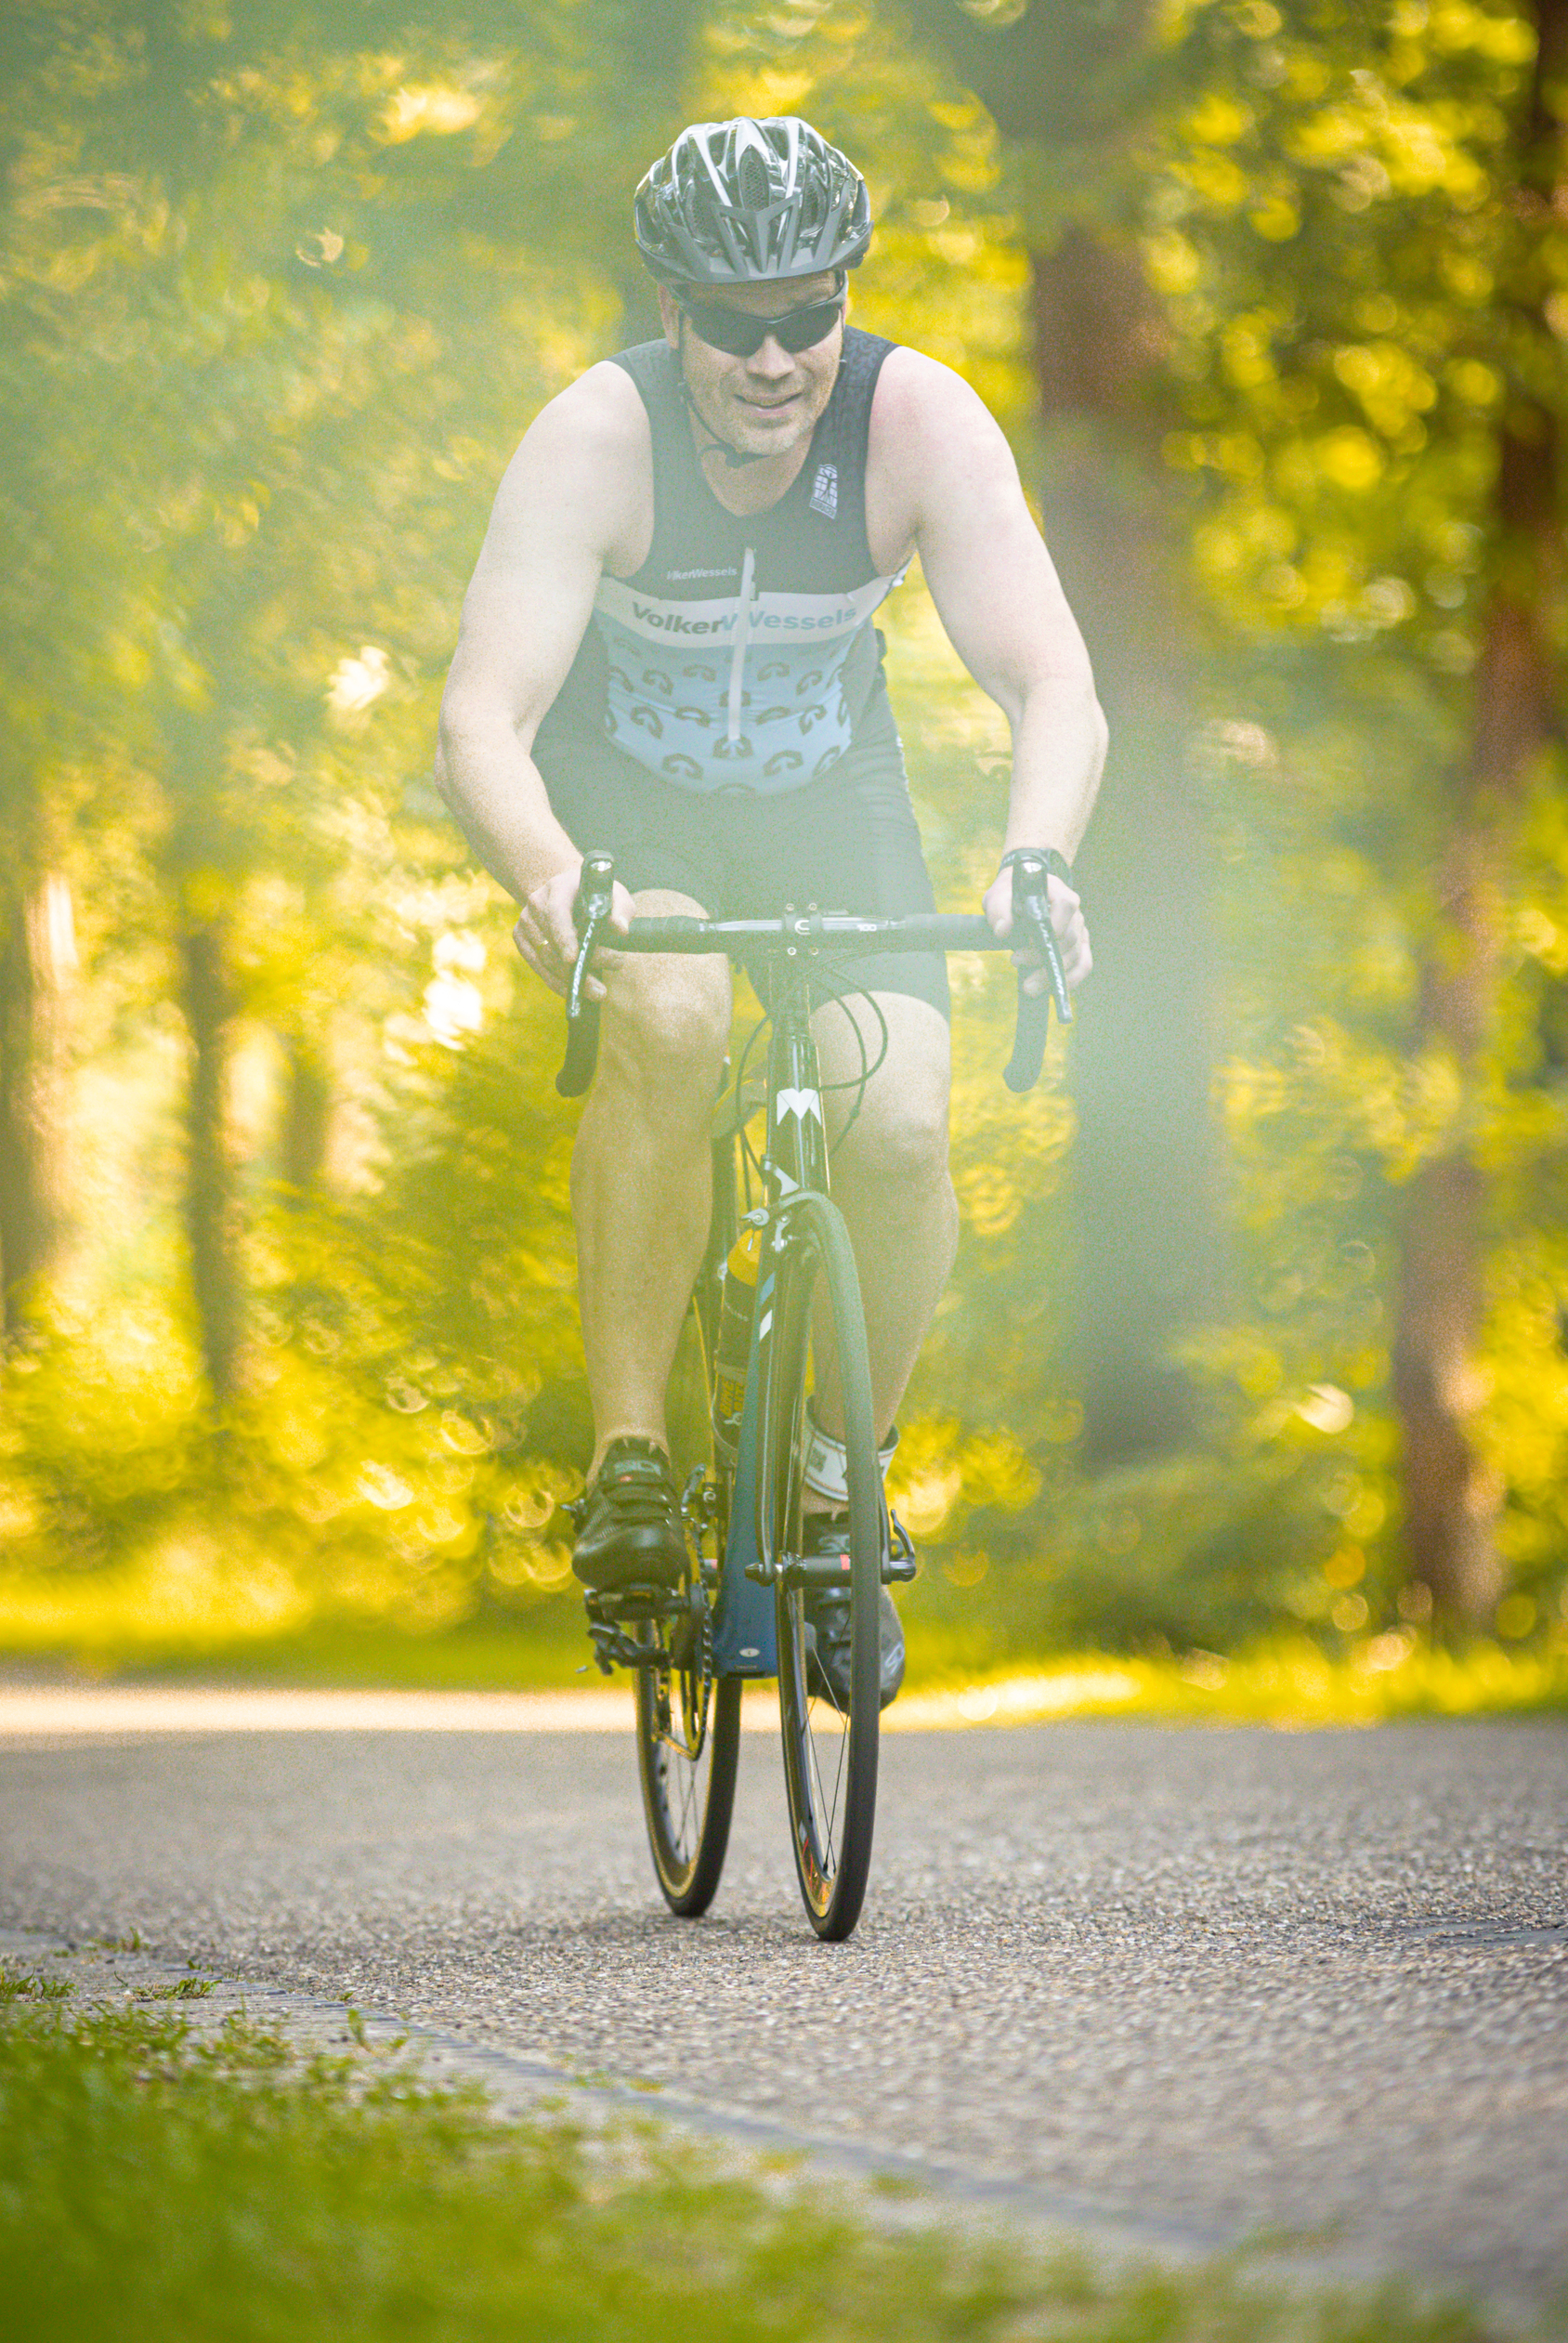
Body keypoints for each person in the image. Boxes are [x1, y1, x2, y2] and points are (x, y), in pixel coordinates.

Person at [437, 115, 1104, 1705]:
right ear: (671, 315)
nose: (773, 356)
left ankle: (832, 1474)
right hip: (633, 811)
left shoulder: (916, 420)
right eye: (733, 323)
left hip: (831, 813)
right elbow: (481, 718)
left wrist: (1036, 859)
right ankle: (631, 1466)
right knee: (668, 1019)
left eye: (808, 313)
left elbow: (1050, 675)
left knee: (902, 1127)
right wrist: (550, 879)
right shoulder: (596, 437)